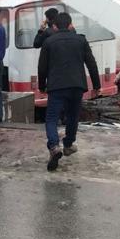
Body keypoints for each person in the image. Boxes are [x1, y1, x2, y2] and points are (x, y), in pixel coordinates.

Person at [38, 12, 100, 172]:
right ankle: (68, 144)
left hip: (56, 86)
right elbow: (92, 64)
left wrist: (41, 86)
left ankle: (54, 146)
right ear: (71, 24)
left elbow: (42, 67)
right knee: (73, 116)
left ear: (55, 26)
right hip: (77, 85)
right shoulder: (81, 40)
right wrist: (97, 85)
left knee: (51, 118)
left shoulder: (48, 42)